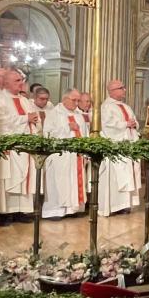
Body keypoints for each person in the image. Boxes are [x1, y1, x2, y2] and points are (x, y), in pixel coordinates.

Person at [0, 69, 38, 220]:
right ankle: (3, 213)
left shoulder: (25, 100)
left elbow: (33, 119)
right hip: (7, 147)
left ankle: (21, 211)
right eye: (17, 81)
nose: (21, 83)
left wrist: (33, 120)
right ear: (5, 82)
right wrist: (24, 119)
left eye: (21, 80)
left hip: (25, 147)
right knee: (7, 177)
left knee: (24, 177)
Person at [42, 90, 88, 218]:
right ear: (65, 99)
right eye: (74, 100)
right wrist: (67, 127)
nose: (77, 103)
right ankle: (55, 211)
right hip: (60, 156)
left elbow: (84, 134)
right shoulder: (54, 114)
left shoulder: (79, 115)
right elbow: (48, 134)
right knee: (59, 183)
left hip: (76, 156)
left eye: (78, 101)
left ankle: (73, 210)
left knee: (74, 182)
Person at [99, 78, 141, 215]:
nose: (124, 90)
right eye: (121, 88)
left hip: (128, 145)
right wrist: (125, 124)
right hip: (116, 146)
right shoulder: (106, 106)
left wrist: (134, 125)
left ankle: (125, 205)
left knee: (129, 174)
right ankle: (114, 205)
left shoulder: (126, 106)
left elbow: (133, 121)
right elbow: (107, 126)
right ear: (112, 91)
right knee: (117, 176)